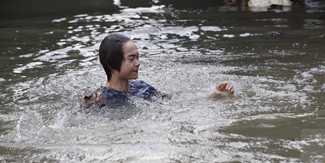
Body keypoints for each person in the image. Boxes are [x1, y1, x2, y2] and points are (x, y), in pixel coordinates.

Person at [82, 33, 234, 111]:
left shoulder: (142, 88)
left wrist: (214, 93)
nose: (138, 63)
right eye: (131, 58)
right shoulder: (98, 100)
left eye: (138, 57)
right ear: (111, 64)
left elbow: (173, 100)